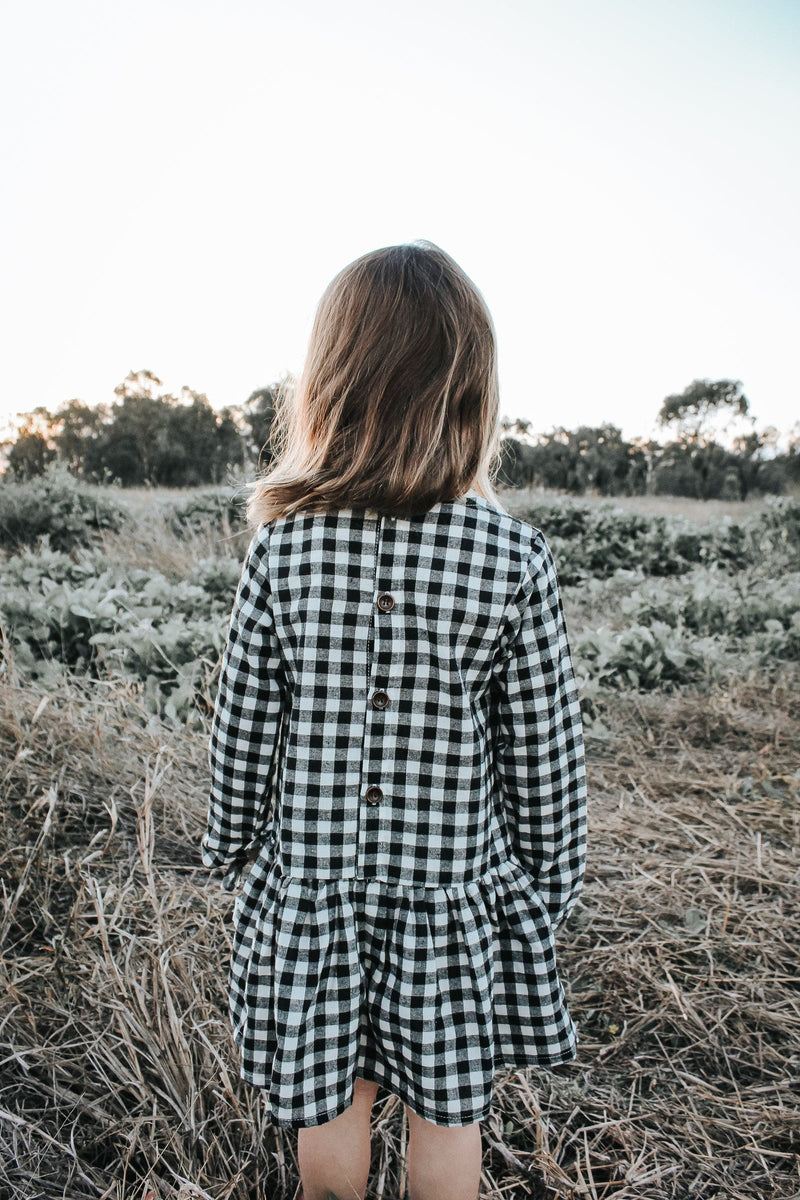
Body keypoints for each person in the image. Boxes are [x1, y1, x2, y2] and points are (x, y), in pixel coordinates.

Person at [201, 241, 588, 1200]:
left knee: (330, 1112)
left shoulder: (282, 552)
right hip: (449, 904)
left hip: (314, 893)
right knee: (447, 1122)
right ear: (470, 393)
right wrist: (546, 884)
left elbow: (242, 730)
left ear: (331, 385)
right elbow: (544, 754)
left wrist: (234, 850)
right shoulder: (512, 559)